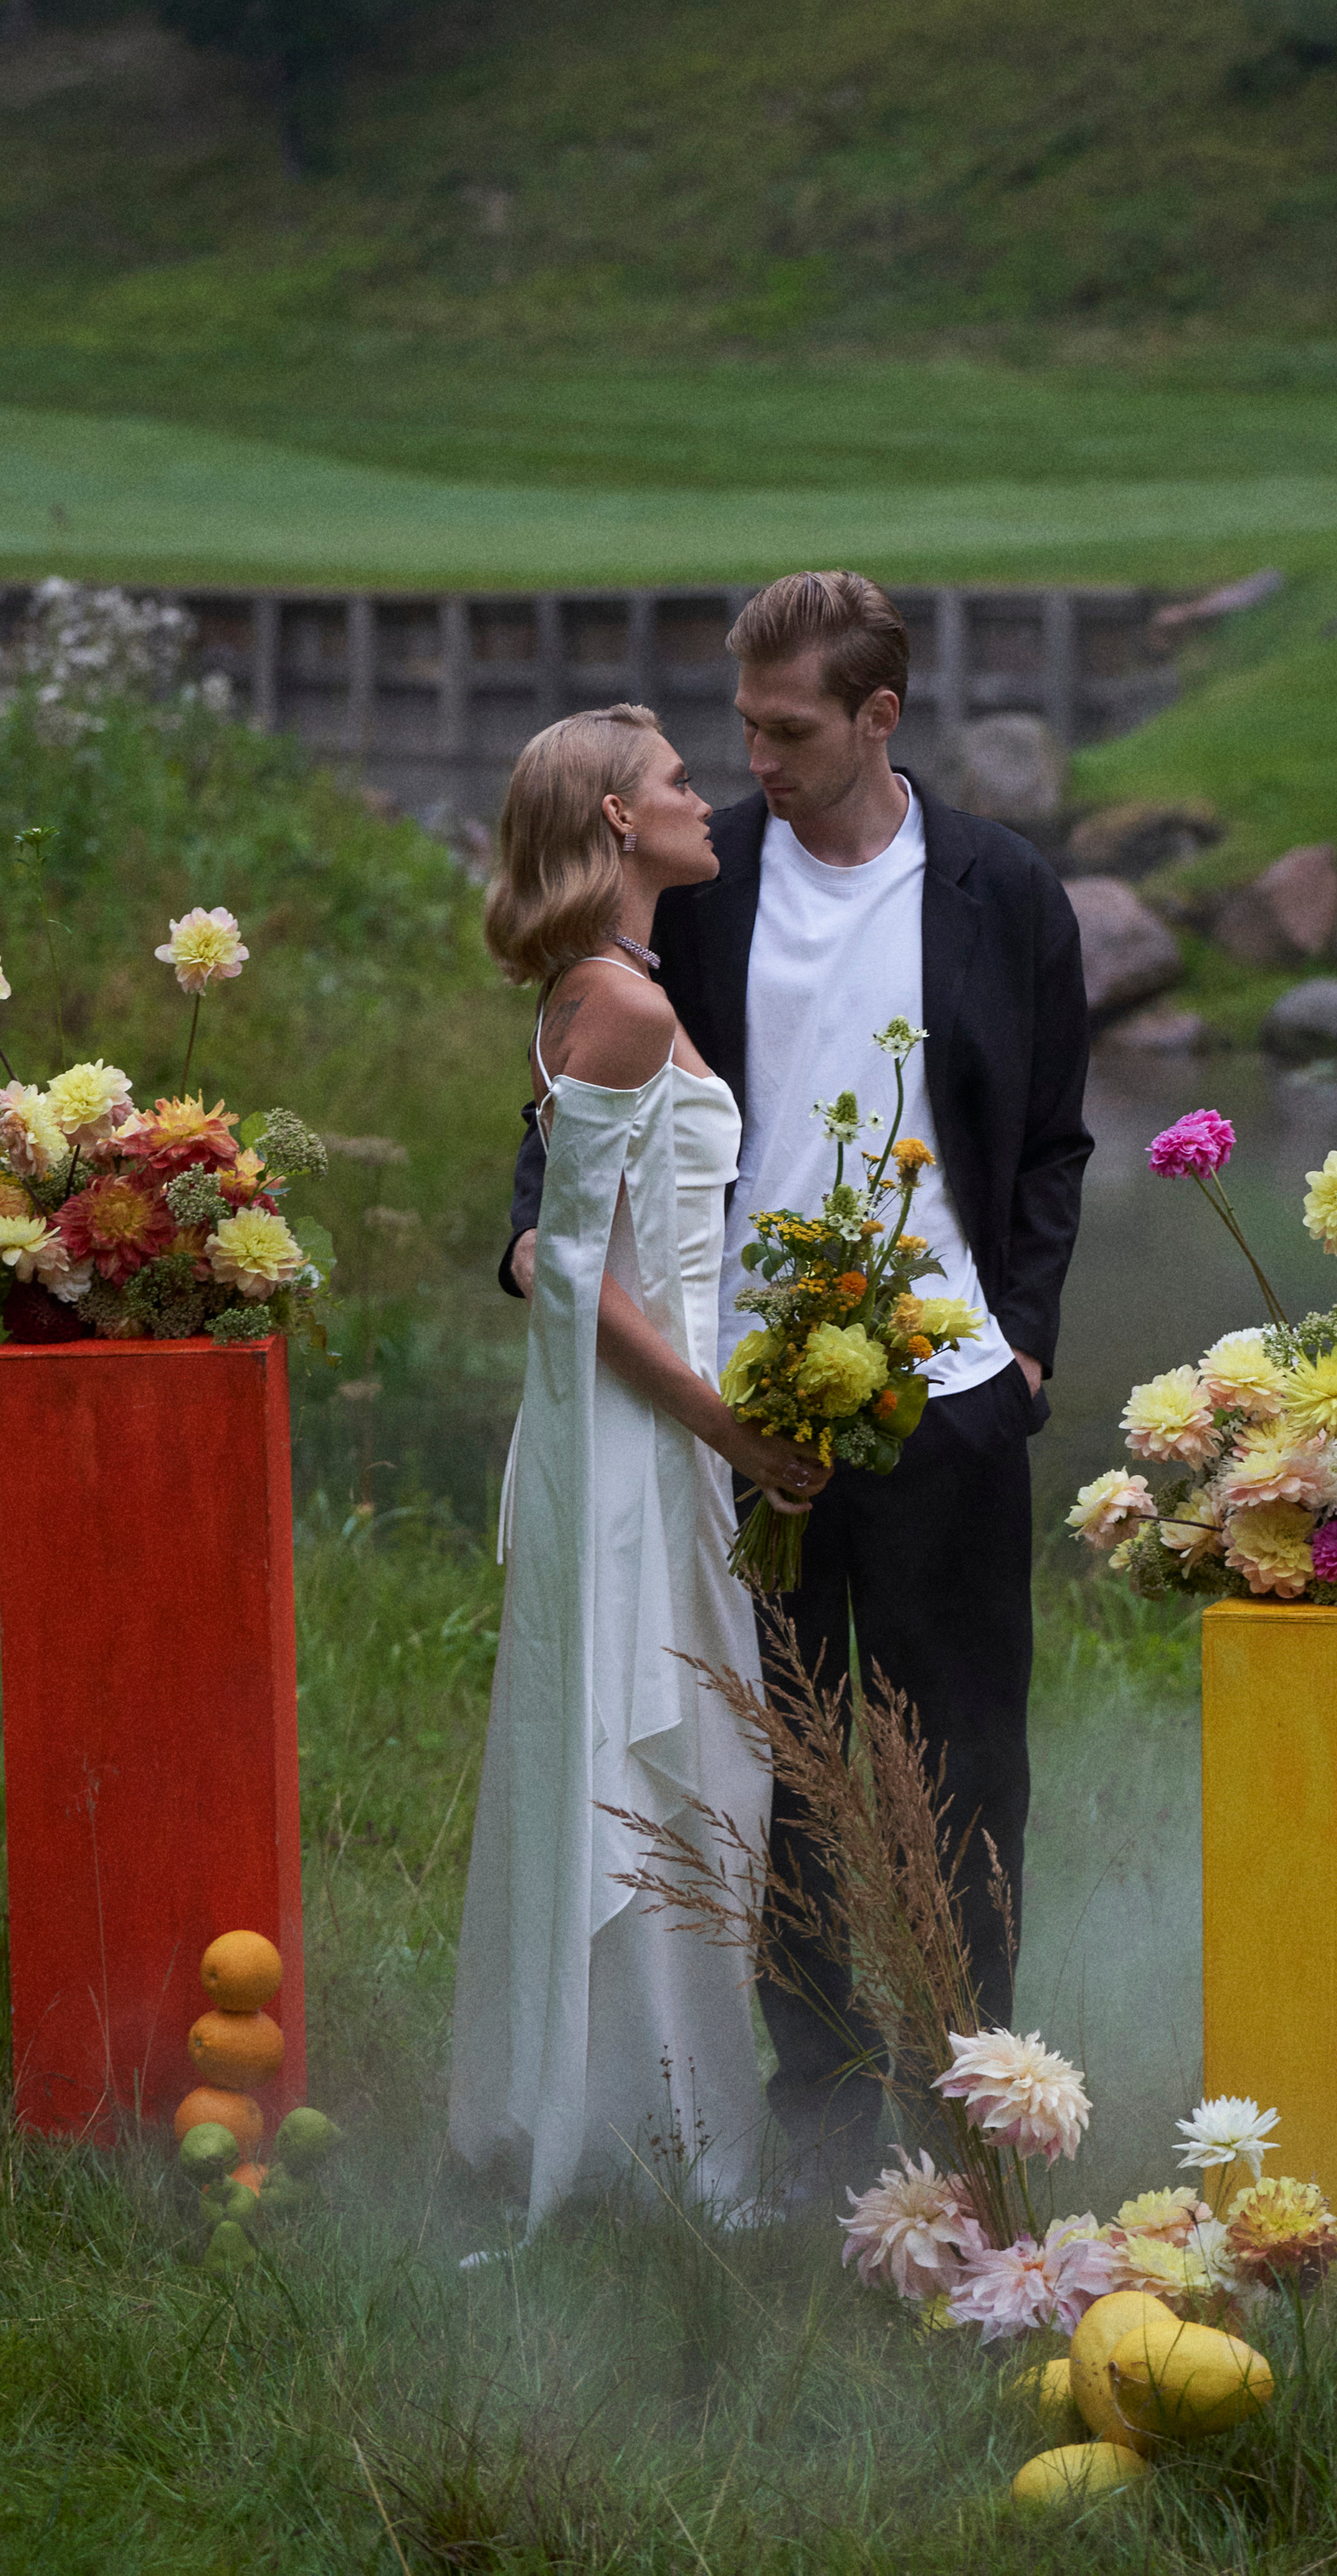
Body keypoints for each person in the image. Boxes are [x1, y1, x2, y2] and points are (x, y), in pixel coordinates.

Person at [501, 573, 1092, 2199]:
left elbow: (1050, 1144)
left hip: (955, 1395)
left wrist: (1023, 1345)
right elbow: (574, 1145)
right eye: (741, 726)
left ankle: (977, 2108)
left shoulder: (1006, 889)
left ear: (878, 717)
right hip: (734, 1416)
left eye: (787, 727)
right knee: (775, 1768)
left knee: (966, 1756)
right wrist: (695, 1391)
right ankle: (818, 2116)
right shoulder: (699, 890)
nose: (750, 754)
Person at [449, 703, 824, 2228]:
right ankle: (657, 2156)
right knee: (655, 1772)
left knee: (677, 1777)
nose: (707, 800)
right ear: (615, 819)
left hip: (648, 1424)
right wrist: (730, 1426)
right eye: (677, 783)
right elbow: (568, 1268)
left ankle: (646, 2128)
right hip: (633, 1440)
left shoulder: (612, 988)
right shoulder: (616, 1002)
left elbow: (553, 1238)